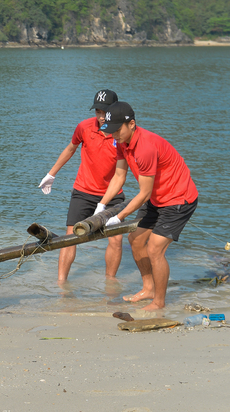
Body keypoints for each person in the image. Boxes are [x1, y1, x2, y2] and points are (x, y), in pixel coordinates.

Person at [98, 102, 198, 310]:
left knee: (154, 249)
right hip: (157, 198)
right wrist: (102, 205)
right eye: (111, 130)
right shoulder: (122, 142)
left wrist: (119, 217)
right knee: (135, 239)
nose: (114, 135)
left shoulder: (145, 148)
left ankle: (159, 302)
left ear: (132, 124)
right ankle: (148, 288)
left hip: (179, 199)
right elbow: (119, 175)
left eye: (117, 130)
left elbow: (143, 193)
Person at [38, 89, 125, 283]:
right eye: (98, 112)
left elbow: (134, 163)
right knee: (71, 237)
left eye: (105, 112)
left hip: (112, 194)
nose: (101, 117)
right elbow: (71, 148)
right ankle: (61, 284)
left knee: (117, 239)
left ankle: (110, 284)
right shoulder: (84, 127)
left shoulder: (122, 133)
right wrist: (51, 174)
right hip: (83, 191)